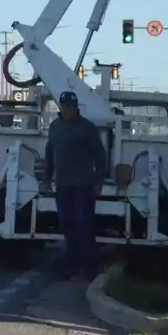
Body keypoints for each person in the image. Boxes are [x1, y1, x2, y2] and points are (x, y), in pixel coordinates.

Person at [42, 90, 107, 281]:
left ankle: (89, 269)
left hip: (83, 185)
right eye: (64, 107)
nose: (67, 110)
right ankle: (72, 265)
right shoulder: (55, 127)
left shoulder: (87, 128)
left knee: (84, 225)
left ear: (76, 107)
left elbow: (100, 156)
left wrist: (98, 181)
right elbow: (49, 154)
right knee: (67, 225)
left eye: (69, 107)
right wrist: (47, 179)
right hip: (63, 185)